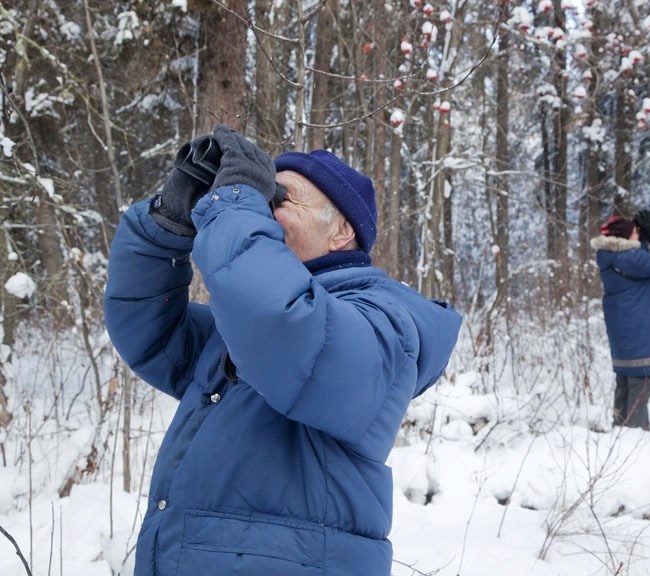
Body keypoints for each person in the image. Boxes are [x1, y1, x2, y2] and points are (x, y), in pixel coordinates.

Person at [104, 125, 462, 576]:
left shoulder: (387, 321)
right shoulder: (245, 326)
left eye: (278, 199)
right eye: (261, 197)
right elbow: (147, 329)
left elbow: (285, 326)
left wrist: (236, 201)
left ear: (341, 231)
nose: (262, 209)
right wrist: (168, 225)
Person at [590, 210, 650, 431]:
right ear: (624, 239)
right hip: (639, 336)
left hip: (625, 338)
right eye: (635, 234)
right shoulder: (629, 258)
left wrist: (644, 236)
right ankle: (635, 447)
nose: (639, 237)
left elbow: (646, 257)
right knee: (640, 392)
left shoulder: (613, 256)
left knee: (626, 390)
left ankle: (621, 438)